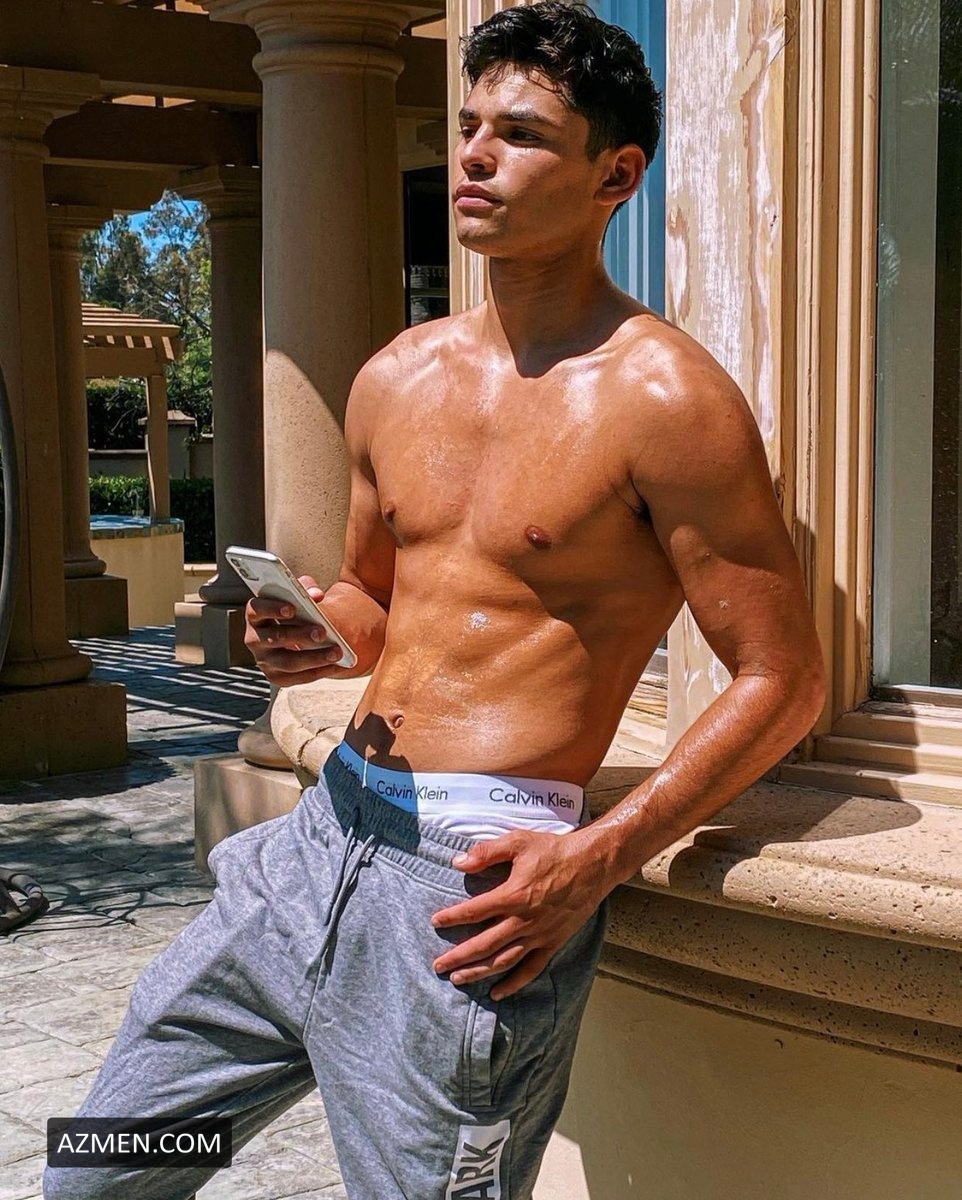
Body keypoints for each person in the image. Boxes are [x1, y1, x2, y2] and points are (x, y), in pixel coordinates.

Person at [43, 3, 825, 1198]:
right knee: (103, 1168)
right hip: (315, 844)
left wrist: (601, 856)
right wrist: (311, 632)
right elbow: (374, 598)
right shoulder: (397, 375)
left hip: (463, 903)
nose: (473, 155)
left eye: (521, 134)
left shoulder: (667, 403)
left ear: (615, 175)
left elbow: (784, 679)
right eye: (467, 126)